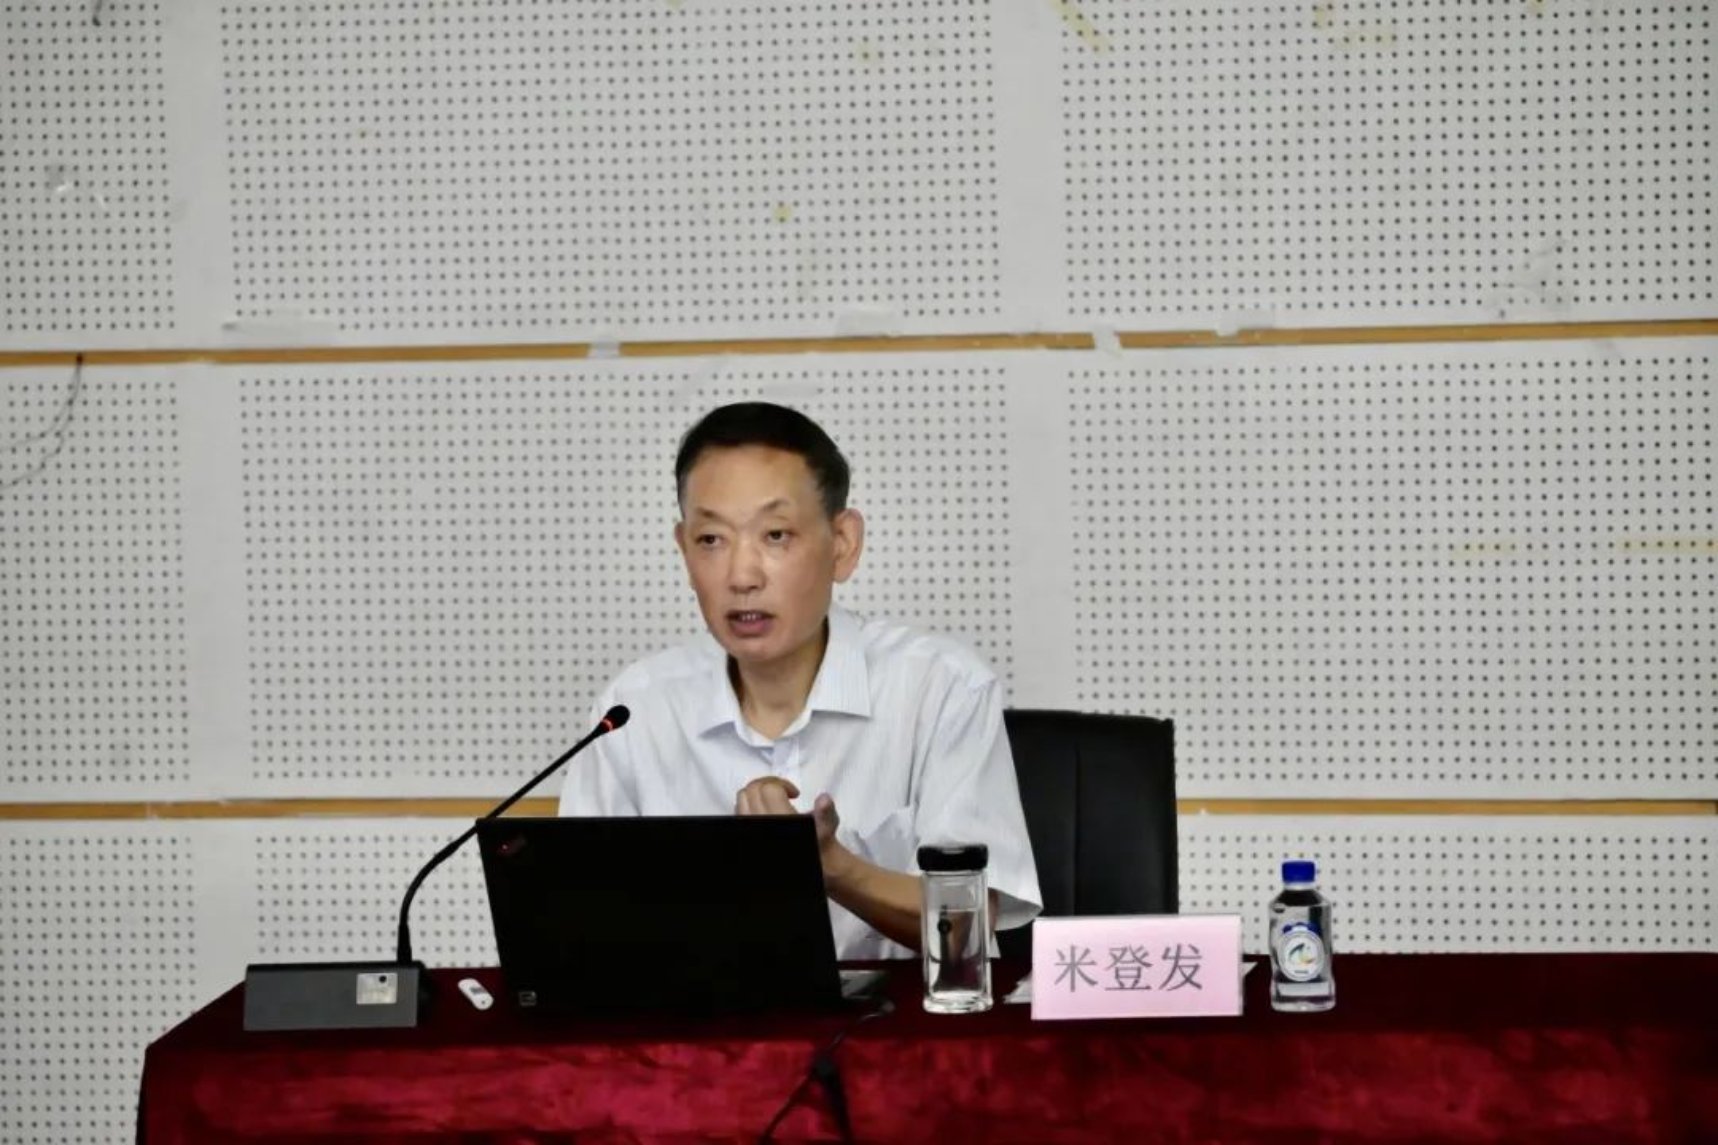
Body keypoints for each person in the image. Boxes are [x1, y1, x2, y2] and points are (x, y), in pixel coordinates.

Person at [558, 401, 1041, 959]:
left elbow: (967, 930)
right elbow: (577, 925)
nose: (741, 576)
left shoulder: (940, 688)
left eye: (776, 535)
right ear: (684, 550)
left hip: (895, 1015)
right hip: (698, 1016)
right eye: (711, 540)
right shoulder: (633, 709)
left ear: (843, 544)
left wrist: (833, 867)